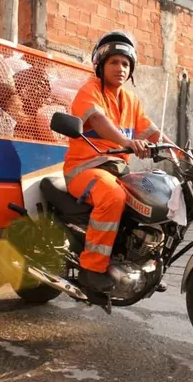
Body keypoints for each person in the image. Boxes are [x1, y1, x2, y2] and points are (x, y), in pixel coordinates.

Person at [63, 31, 171, 292]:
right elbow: (99, 121)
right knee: (113, 196)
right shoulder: (89, 90)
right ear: (100, 65)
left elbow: (150, 130)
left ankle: (141, 262)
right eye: (114, 62)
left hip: (116, 170)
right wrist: (127, 143)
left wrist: (177, 150)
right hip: (84, 169)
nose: (120, 68)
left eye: (125, 63)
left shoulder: (131, 100)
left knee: (158, 193)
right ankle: (92, 269)